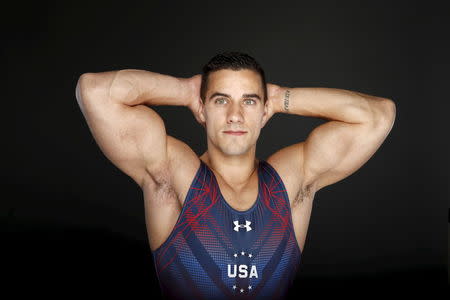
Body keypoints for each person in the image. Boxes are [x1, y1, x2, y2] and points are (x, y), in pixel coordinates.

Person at [75, 51, 396, 299]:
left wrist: (282, 97)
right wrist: (186, 90)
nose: (235, 115)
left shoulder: (290, 181)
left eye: (250, 101)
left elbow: (378, 116)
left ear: (263, 110)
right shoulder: (174, 176)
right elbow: (95, 91)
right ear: (202, 109)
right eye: (220, 100)